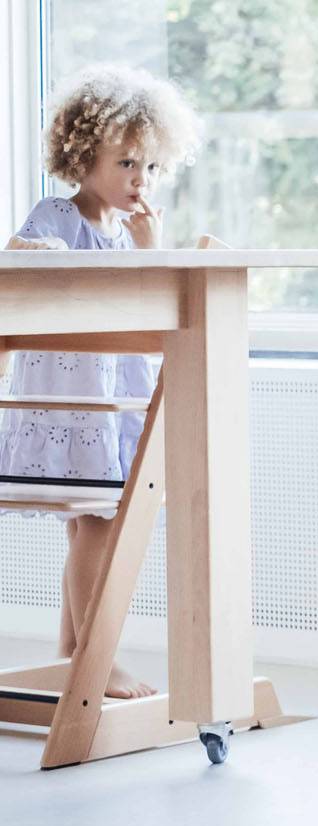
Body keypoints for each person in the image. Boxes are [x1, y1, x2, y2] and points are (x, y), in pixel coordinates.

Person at [0, 65, 201, 698]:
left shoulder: (128, 230)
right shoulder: (58, 215)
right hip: (75, 404)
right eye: (126, 164)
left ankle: (70, 650)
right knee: (99, 522)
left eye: (149, 167)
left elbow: (146, 307)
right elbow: (21, 250)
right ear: (84, 156)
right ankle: (95, 656)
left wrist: (150, 250)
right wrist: (48, 255)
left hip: (115, 404)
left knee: (91, 521)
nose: (139, 181)